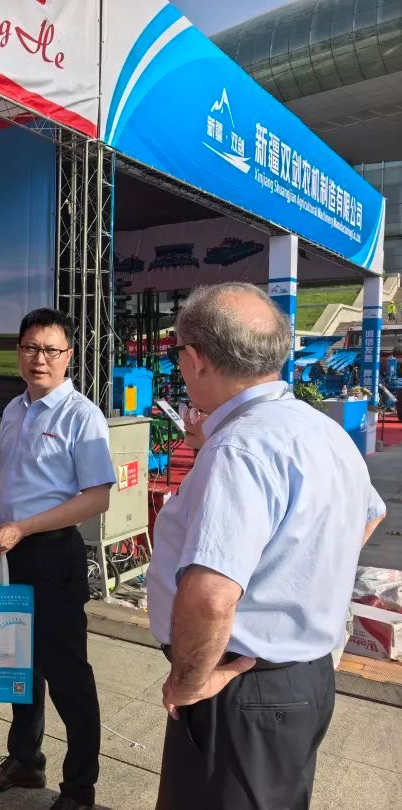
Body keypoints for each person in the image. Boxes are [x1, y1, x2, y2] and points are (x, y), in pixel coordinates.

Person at [147, 282, 387, 810]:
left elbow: (211, 596)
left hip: (237, 689)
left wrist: (188, 682)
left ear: (196, 359)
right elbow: (372, 514)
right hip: (300, 679)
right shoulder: (320, 429)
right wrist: (302, 581)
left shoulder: (239, 448)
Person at [0, 308, 115, 810]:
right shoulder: (15, 408)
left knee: (68, 677)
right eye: (31, 348)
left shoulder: (81, 415)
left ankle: (79, 789)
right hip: (8, 551)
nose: (40, 359)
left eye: (52, 350)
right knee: (20, 666)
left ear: (69, 356)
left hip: (52, 556)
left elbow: (97, 498)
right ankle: (25, 760)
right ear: (19, 352)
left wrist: (24, 526)